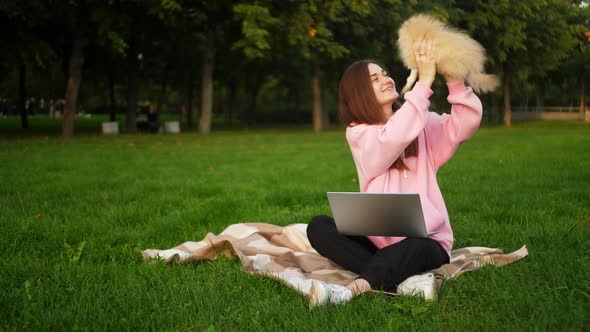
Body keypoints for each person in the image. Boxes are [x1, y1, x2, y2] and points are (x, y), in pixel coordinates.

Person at [306, 38, 483, 307]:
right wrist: (423, 84)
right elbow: (393, 137)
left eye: (385, 73)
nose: (386, 79)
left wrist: (454, 81)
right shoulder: (359, 133)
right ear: (359, 94)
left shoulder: (421, 124)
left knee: (418, 245)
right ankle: (404, 282)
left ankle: (351, 290)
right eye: (374, 79)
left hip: (425, 243)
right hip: (378, 240)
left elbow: (465, 123)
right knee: (318, 226)